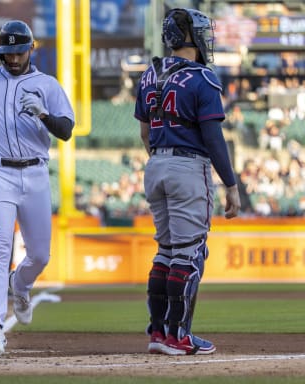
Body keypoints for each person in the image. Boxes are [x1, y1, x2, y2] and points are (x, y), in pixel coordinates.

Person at [0, 20, 74, 357]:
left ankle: (20, 285)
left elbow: (66, 129)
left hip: (35, 173)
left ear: (30, 49)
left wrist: (42, 115)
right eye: (8, 53)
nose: (13, 59)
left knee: (39, 255)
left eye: (19, 52)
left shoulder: (47, 85)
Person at [134, 8, 241, 355]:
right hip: (187, 166)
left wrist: (161, 160)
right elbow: (213, 137)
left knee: (165, 251)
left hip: (156, 165)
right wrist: (231, 184)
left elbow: (144, 132)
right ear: (192, 38)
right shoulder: (203, 78)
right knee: (190, 252)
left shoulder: (149, 74)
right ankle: (178, 336)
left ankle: (158, 333)